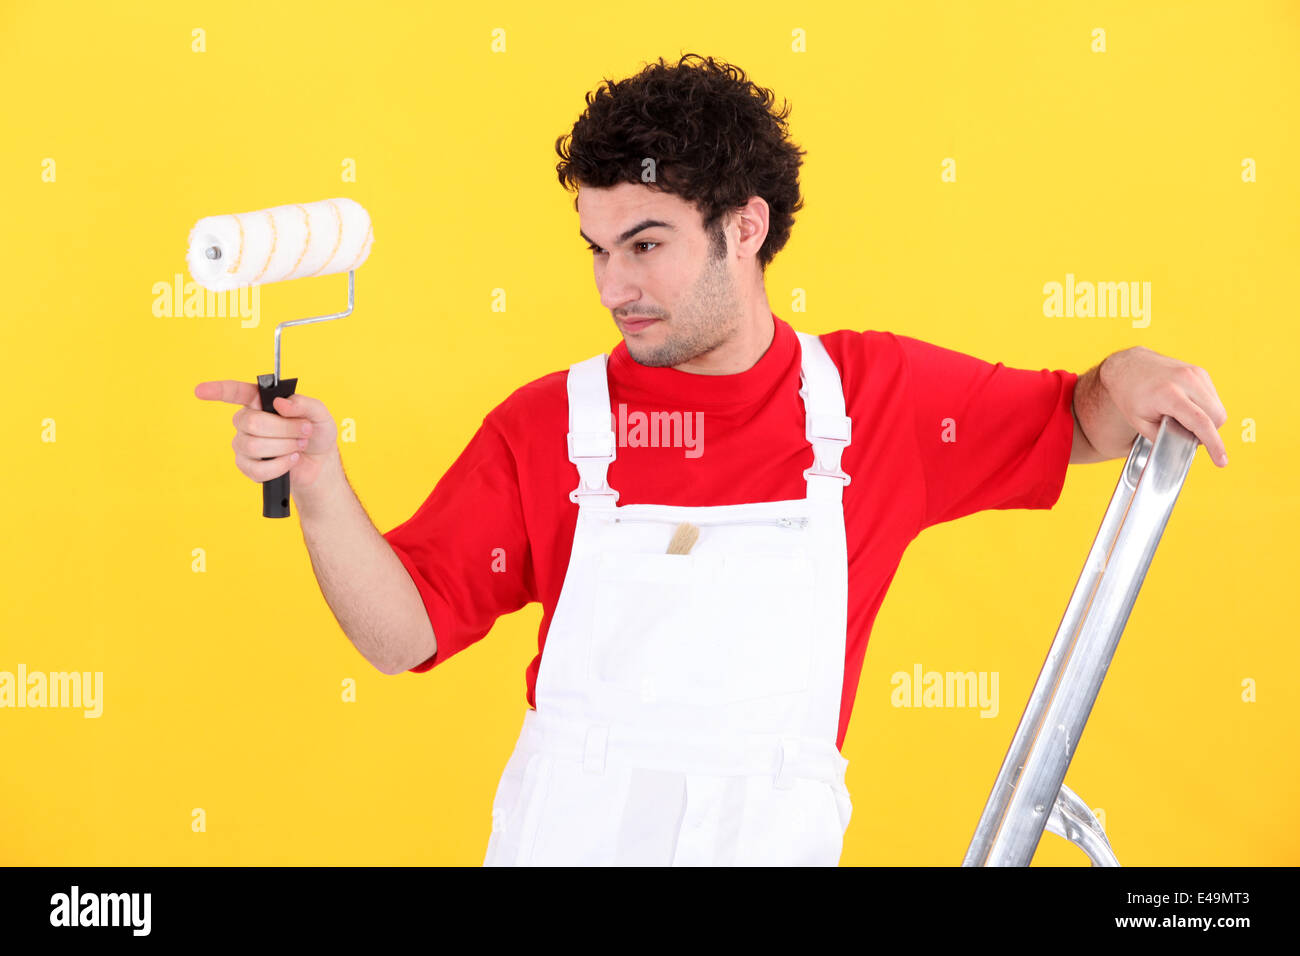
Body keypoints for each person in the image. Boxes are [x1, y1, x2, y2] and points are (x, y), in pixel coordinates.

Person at [195, 54, 1229, 866]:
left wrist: (1126, 365)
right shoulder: (548, 425)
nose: (612, 285)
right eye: (596, 249)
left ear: (746, 227)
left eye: (644, 244)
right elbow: (400, 631)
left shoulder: (878, 403)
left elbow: (1078, 419)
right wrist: (320, 487)